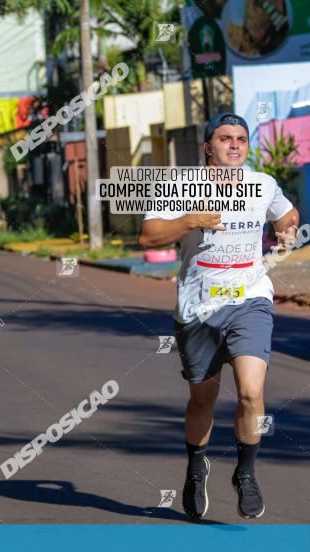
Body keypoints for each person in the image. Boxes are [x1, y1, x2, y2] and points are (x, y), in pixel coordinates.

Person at [139, 112, 300, 521]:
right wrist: (189, 220)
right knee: (202, 399)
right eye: (225, 138)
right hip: (198, 304)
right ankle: (197, 465)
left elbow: (287, 215)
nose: (234, 145)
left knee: (251, 391)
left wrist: (288, 230)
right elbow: (148, 236)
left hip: (251, 297)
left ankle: (245, 473)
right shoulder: (179, 187)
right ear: (208, 146)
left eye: (241, 139)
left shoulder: (262, 185)